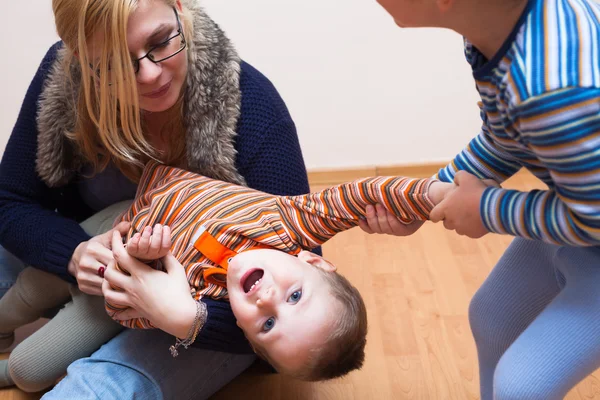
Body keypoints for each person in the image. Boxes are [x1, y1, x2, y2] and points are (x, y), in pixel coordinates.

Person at [0, 0, 318, 397]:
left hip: (211, 307)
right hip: (98, 277)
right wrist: (74, 253)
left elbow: (298, 293)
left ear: (179, 7)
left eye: (161, 41)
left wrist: (187, 316)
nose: (149, 74)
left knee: (95, 391)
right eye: (115, 64)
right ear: (80, 58)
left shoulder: (254, 110)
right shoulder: (63, 79)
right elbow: (9, 201)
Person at [1, 159, 455, 386]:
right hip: (121, 215)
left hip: (117, 267)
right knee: (32, 286)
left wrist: (142, 263)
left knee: (27, 368)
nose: (265, 299)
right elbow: (361, 195)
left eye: (268, 324)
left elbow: (126, 312)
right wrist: (428, 196)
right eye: (294, 296)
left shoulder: (199, 297)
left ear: (243, 329)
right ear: (313, 260)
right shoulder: (291, 221)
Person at [364, 0, 600, 398]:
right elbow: (505, 137)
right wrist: (425, 199)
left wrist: (486, 210)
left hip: (588, 219)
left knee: (521, 387)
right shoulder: (496, 39)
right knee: (492, 318)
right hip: (581, 209)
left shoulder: (552, 87)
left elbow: (592, 218)